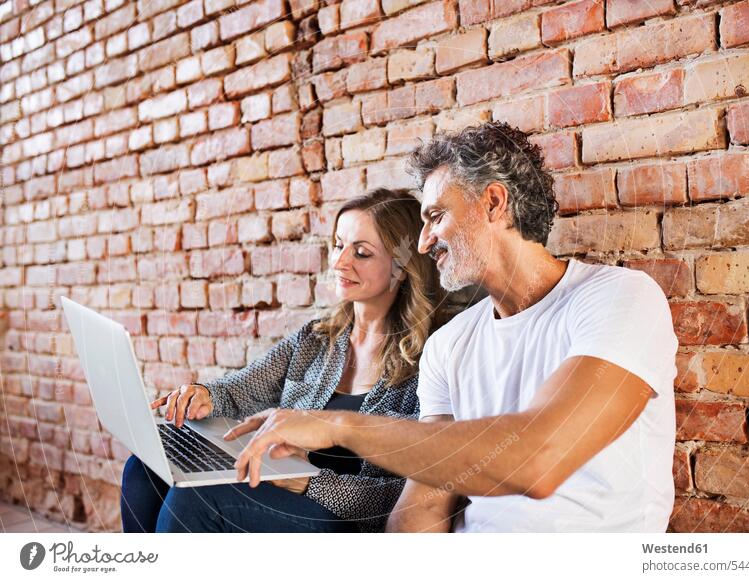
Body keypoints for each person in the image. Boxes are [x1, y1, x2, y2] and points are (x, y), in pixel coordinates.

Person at [230, 121, 679, 533]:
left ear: (494, 203)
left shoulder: (619, 298)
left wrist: (339, 427)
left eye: (435, 217)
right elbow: (425, 507)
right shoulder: (450, 344)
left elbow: (538, 460)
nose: (424, 243)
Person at [120, 188, 444, 533]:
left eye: (361, 253)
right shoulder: (318, 338)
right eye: (338, 245)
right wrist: (205, 394)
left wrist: (311, 483)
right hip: (286, 495)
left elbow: (410, 497)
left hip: (347, 523)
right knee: (144, 471)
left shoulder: (430, 363)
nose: (339, 262)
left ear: (402, 267)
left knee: (196, 501)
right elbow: (241, 388)